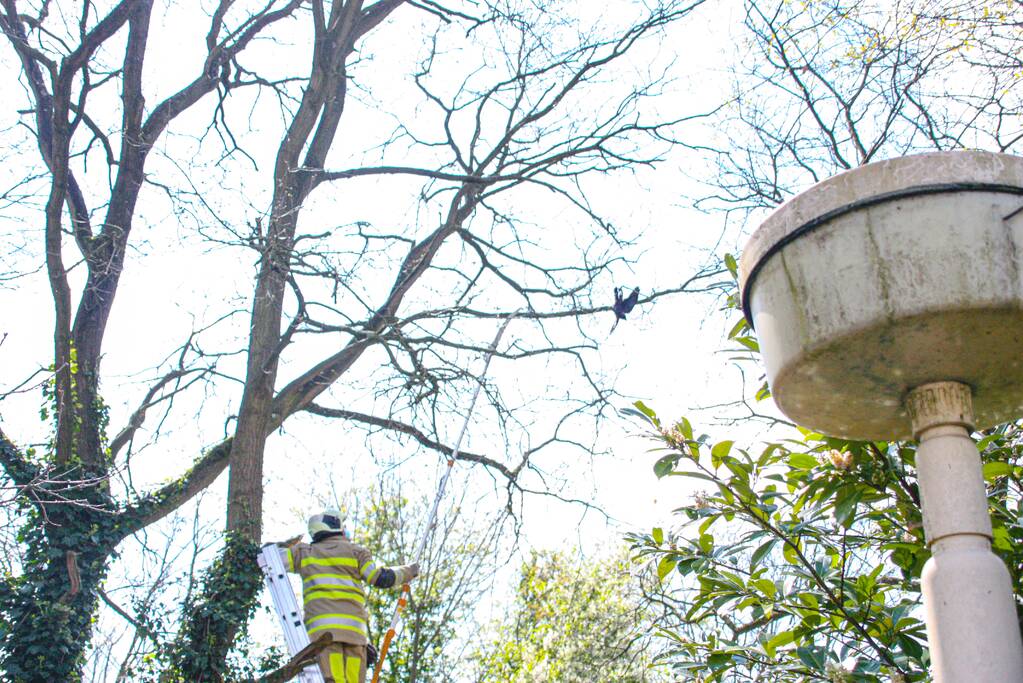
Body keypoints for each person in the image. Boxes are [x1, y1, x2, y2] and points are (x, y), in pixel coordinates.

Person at [281, 509, 419, 683]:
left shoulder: (304, 553)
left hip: (323, 638)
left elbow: (272, 560)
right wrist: (410, 571)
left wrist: (283, 545)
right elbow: (381, 578)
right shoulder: (356, 553)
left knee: (333, 679)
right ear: (336, 525)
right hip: (355, 637)